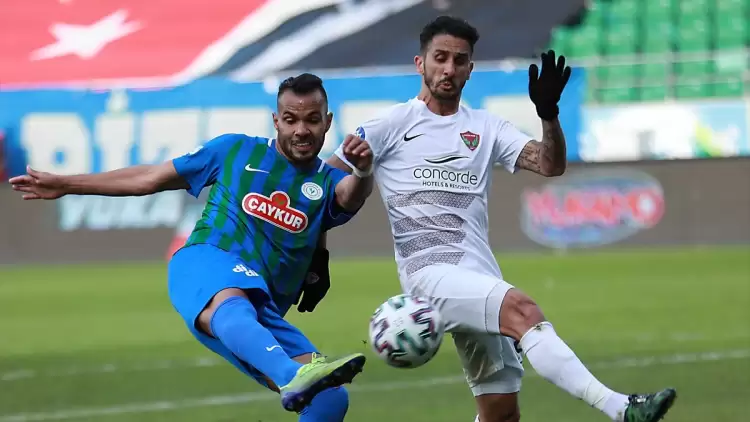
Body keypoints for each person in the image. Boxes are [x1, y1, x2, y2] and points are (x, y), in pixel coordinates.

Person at [323, 16, 677, 422]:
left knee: (501, 412)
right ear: (420, 63)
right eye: (440, 58)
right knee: (523, 311)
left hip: (479, 273)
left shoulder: (486, 127)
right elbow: (323, 184)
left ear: (470, 69)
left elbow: (550, 165)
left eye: (459, 60)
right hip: (429, 274)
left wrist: (549, 114)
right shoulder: (388, 125)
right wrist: (316, 250)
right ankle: (622, 409)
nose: (449, 69)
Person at [9, 73, 375, 420]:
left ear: (327, 122)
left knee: (329, 398)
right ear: (276, 121)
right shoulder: (235, 150)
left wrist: (362, 171)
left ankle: (294, 376)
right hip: (205, 264)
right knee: (235, 301)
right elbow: (149, 178)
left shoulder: (327, 180)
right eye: (291, 119)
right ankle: (290, 374)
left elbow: (349, 197)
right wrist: (67, 184)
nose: (301, 130)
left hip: (260, 309)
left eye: (312, 120)